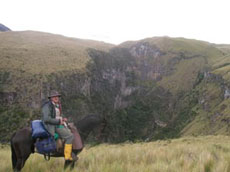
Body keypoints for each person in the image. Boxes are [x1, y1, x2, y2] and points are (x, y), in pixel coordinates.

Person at [41, 90, 74, 163]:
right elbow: (46, 119)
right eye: (54, 96)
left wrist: (63, 119)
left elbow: (57, 116)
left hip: (57, 125)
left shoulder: (57, 105)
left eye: (57, 96)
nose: (56, 98)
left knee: (70, 133)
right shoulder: (47, 106)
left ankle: (67, 153)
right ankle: (66, 156)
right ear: (51, 98)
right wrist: (59, 121)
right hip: (51, 126)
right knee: (68, 136)